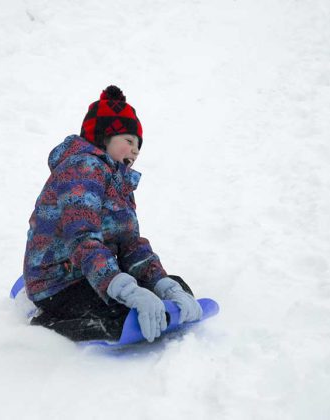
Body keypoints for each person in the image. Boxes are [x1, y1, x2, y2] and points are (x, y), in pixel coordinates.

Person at [23, 85, 202, 342]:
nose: (135, 151)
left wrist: (163, 285)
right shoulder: (81, 169)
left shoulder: (119, 183)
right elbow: (81, 238)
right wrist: (126, 291)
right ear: (104, 137)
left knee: (175, 287)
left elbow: (130, 245)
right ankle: (46, 323)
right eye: (129, 141)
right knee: (121, 316)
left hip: (94, 274)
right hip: (58, 282)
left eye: (138, 146)